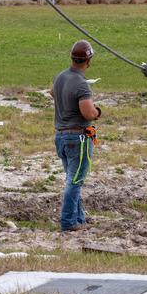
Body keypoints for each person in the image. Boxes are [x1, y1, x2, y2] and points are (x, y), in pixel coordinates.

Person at [51, 40, 101, 232]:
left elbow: (52, 93)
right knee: (75, 180)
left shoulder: (61, 77)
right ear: (88, 61)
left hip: (61, 137)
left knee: (72, 178)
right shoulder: (81, 85)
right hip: (77, 138)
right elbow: (88, 113)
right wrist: (97, 111)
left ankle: (78, 218)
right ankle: (69, 221)